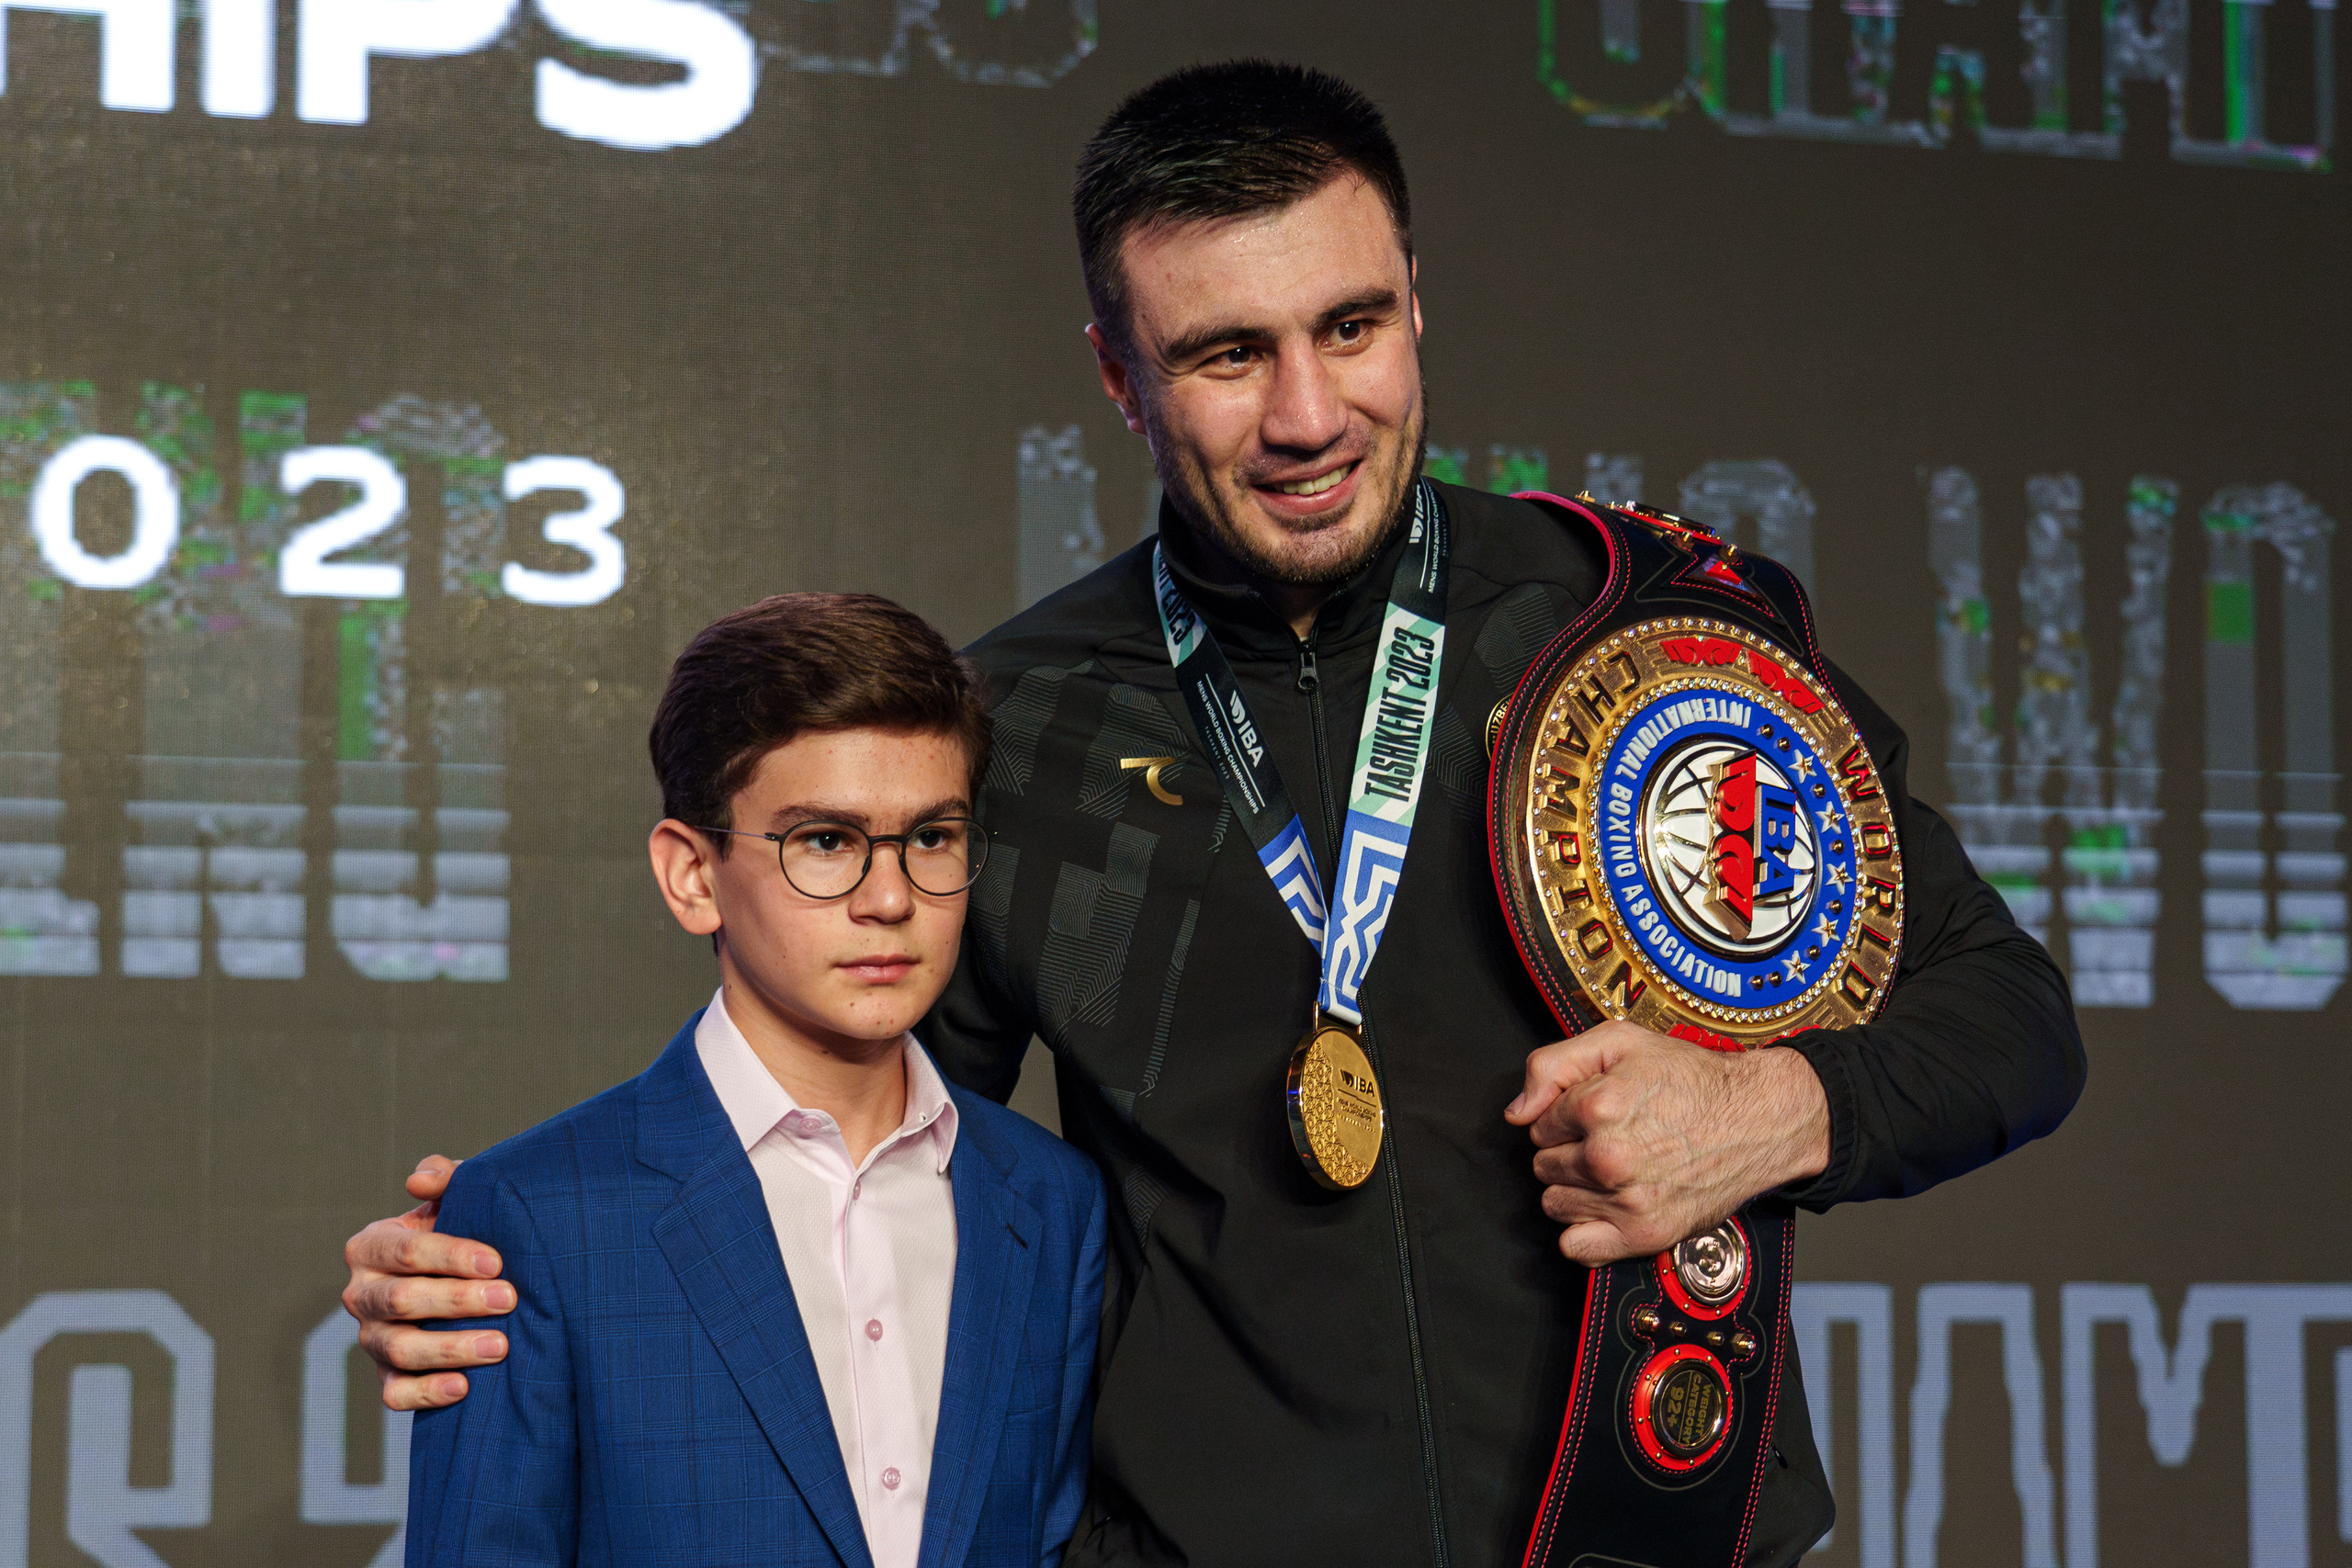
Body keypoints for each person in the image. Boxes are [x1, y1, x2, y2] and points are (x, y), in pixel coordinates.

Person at [348, 63, 2084, 1566]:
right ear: (1116, 374)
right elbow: (863, 1150)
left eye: (1352, 326)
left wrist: (1773, 1105)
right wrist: (523, 1254)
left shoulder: (1636, 631)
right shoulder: (1012, 726)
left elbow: (2007, 1018)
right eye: (1225, 354)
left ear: (1419, 301)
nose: (1310, 415)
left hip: (1653, 1533)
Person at [401, 592, 1106, 1567]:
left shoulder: (1049, 1201)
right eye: (825, 841)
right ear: (693, 876)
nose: (892, 897)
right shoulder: (538, 1212)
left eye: (932, 837)